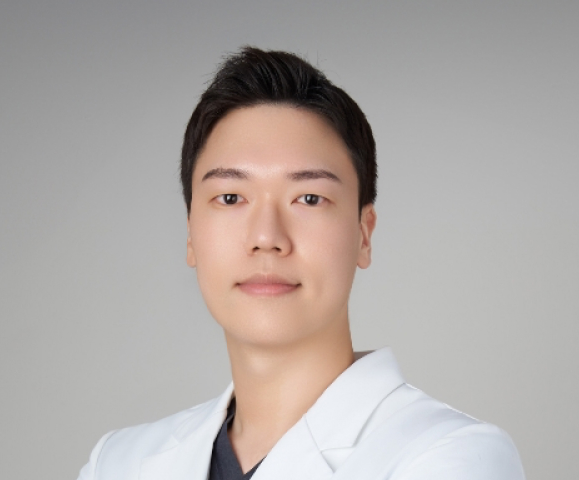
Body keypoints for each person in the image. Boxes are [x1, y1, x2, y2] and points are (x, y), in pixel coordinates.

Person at [77, 46, 525, 480]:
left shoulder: (454, 456)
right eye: (230, 198)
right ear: (191, 233)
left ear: (364, 233)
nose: (267, 238)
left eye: (309, 198)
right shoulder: (118, 464)